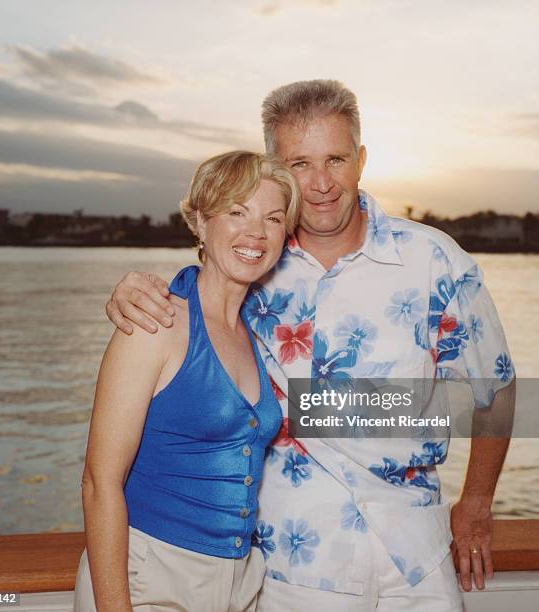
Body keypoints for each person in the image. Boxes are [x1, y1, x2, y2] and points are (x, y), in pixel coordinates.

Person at [105, 81, 516, 611]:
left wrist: (478, 503)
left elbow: (497, 390)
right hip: (290, 567)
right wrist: (129, 290)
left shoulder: (436, 261)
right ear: (276, 171)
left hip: (418, 561)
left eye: (336, 159)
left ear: (361, 160)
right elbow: (189, 312)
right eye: (299, 164)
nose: (321, 183)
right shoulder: (252, 264)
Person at [74, 150, 301, 612]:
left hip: (239, 583)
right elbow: (99, 482)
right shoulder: (155, 323)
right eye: (237, 211)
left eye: (273, 218)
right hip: (152, 575)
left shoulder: (256, 333)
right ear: (200, 220)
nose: (255, 231)